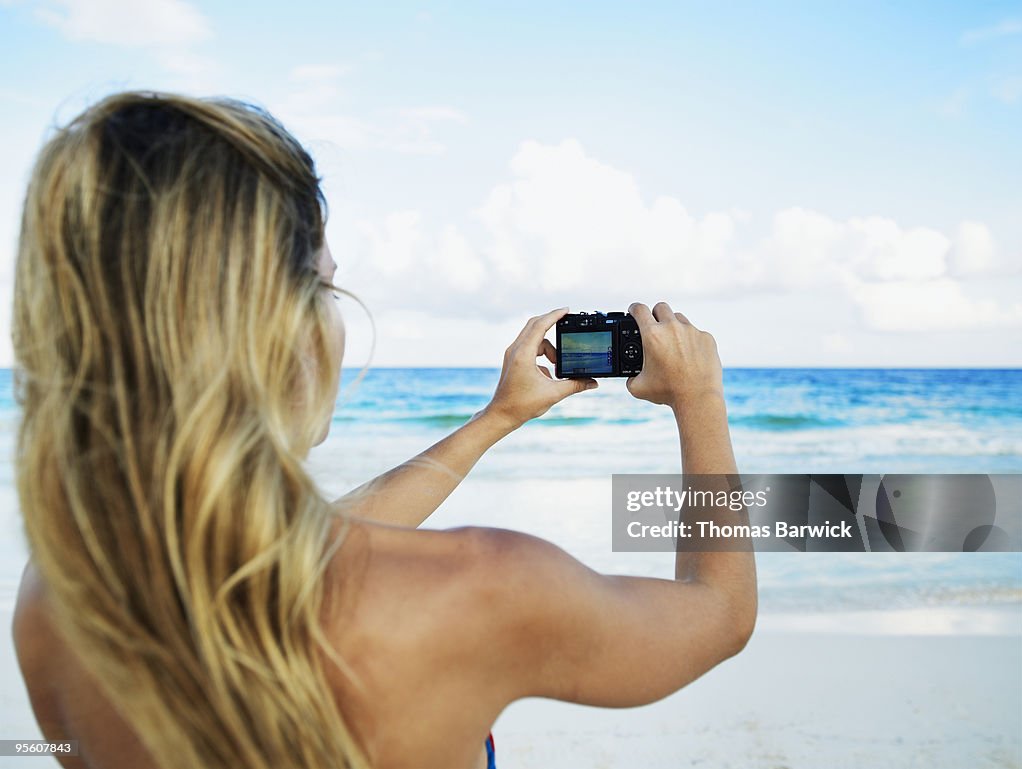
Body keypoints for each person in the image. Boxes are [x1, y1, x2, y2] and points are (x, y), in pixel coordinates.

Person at [10, 92, 757, 769]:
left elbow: (303, 544)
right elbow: (717, 614)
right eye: (325, 283)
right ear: (274, 324)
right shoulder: (480, 589)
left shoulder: (58, 599)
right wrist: (700, 397)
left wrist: (495, 419)